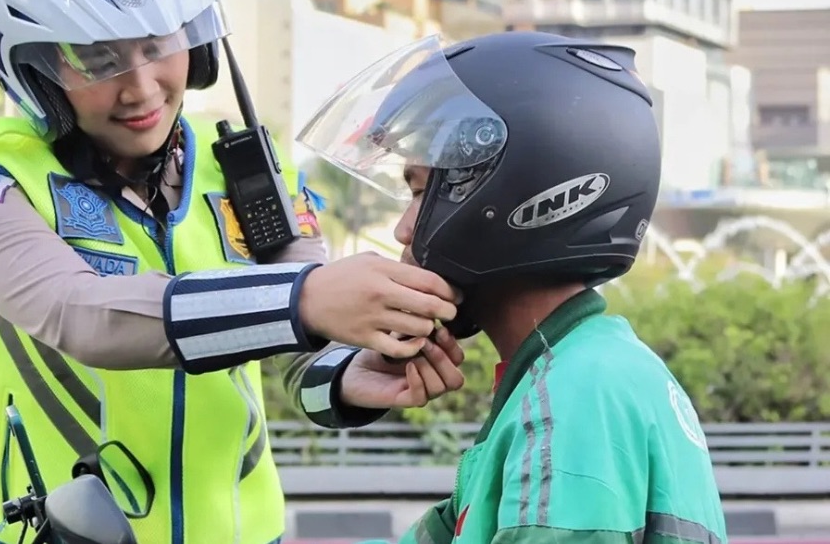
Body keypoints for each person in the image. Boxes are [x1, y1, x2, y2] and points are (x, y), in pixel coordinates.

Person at [0, 0, 467, 543]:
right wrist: (303, 299)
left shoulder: (245, 164)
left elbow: (302, 354)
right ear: (33, 68)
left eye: (158, 43)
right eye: (95, 58)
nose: (140, 87)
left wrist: (350, 376)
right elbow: (81, 316)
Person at [295, 30, 729, 544]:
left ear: (514, 193)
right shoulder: (585, 370)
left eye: (417, 193)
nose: (403, 230)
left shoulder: (576, 396)